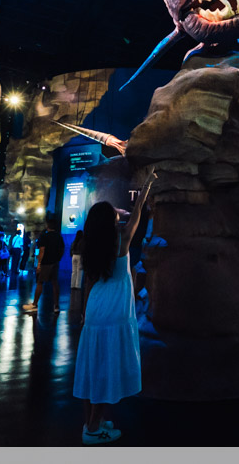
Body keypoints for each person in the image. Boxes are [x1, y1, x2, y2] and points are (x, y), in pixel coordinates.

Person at [73, 178, 153, 445]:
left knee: (91, 369)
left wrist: (84, 312)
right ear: (110, 221)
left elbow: (89, 282)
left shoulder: (90, 245)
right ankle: (94, 429)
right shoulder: (120, 241)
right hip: (116, 311)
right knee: (107, 370)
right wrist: (145, 189)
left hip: (95, 311)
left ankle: (89, 423)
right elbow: (138, 213)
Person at [24, 217, 65, 313]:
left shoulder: (45, 237)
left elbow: (42, 250)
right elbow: (62, 249)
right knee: (55, 283)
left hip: (45, 263)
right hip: (55, 262)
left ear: (47, 226)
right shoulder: (59, 237)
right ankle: (56, 306)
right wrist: (58, 258)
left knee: (40, 282)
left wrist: (38, 264)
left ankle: (34, 304)